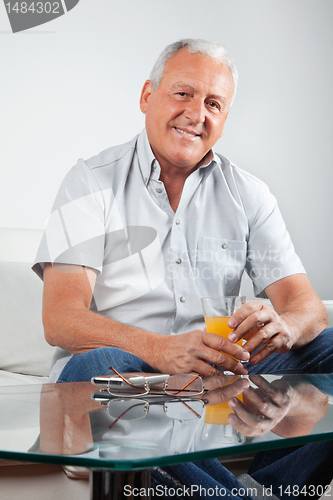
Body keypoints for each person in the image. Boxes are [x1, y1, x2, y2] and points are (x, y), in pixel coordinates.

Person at [32, 38, 333, 499]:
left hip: (221, 373)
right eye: (183, 93)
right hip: (133, 372)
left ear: (224, 119)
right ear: (147, 96)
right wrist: (160, 349)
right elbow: (61, 319)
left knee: (328, 343)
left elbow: (308, 307)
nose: (197, 113)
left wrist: (285, 325)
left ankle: (272, 485)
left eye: (214, 103)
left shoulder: (248, 194)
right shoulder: (91, 181)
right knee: (89, 369)